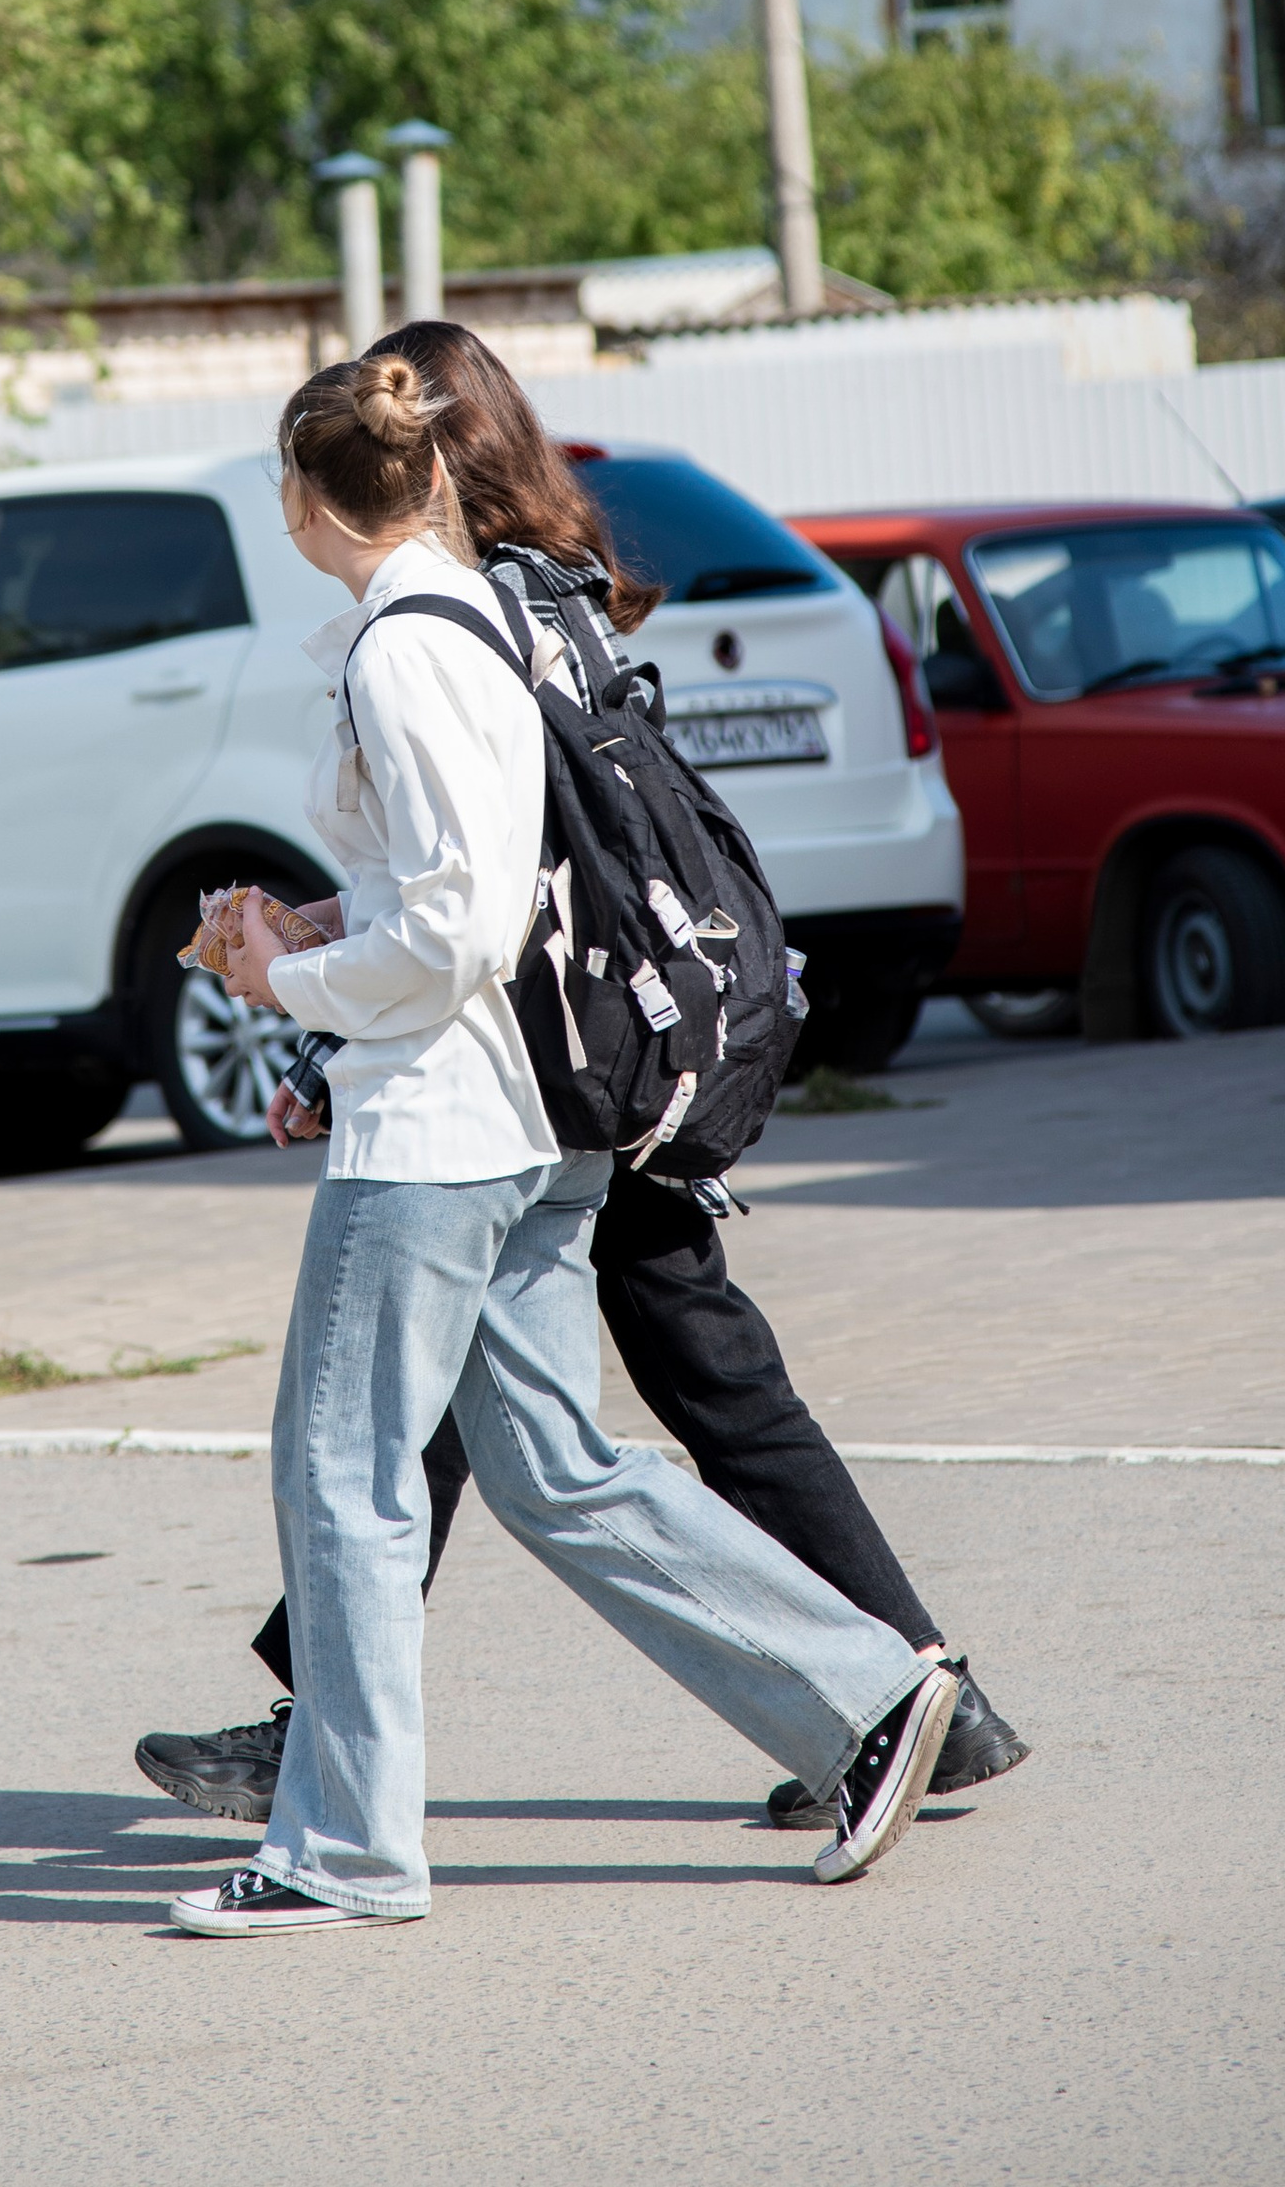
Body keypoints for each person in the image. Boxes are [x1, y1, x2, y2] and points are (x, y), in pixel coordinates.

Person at [139, 316, 1026, 1839]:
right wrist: (330, 1016)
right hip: (573, 1060)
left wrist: (303, 1001)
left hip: (543, 1078)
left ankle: (896, 1697)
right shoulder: (543, 599)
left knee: (500, 1430)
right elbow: (494, 878)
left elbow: (488, 900)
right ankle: (899, 1700)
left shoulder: (452, 622)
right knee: (559, 1429)